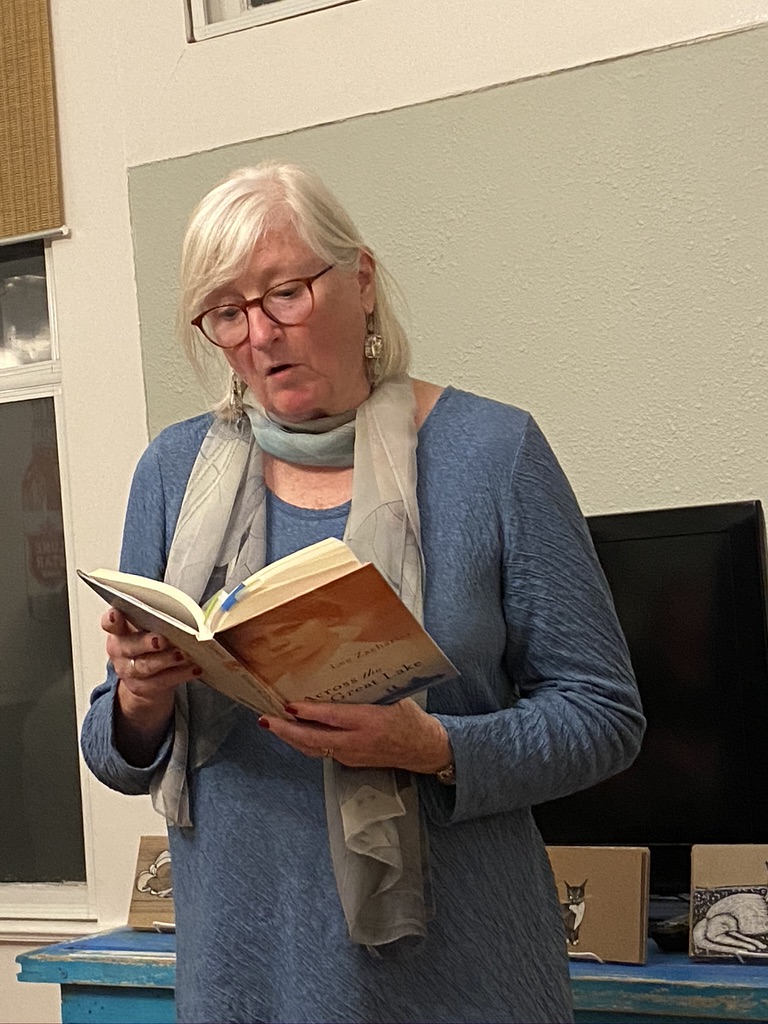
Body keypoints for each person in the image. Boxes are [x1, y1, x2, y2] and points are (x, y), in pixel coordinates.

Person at [81, 162, 645, 1024]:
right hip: (245, 978)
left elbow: (604, 717)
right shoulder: (170, 472)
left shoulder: (493, 455)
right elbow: (113, 750)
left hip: (461, 981)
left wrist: (436, 748)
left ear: (363, 281)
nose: (259, 335)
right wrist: (140, 693)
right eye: (227, 312)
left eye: (285, 294)